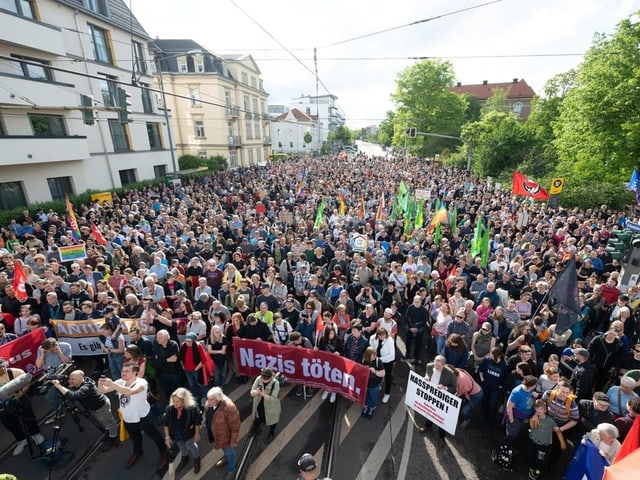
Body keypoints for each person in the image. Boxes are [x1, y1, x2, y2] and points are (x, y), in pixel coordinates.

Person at [98, 363, 167, 470]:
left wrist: (114, 385)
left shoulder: (141, 382)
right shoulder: (120, 382)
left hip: (143, 417)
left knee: (155, 436)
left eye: (127, 371)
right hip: (128, 418)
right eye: (123, 371)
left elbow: (130, 392)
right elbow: (102, 391)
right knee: (135, 438)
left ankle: (163, 453)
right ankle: (137, 452)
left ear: (135, 373)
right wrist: (100, 384)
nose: (123, 373)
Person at [50, 369, 119, 446]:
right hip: (96, 407)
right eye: (70, 379)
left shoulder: (86, 387)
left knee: (109, 422)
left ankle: (113, 436)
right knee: (104, 420)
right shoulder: (80, 382)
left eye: (73, 379)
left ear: (81, 379)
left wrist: (59, 386)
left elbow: (74, 396)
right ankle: (108, 430)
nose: (70, 381)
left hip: (101, 407)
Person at [0, 357, 44, 455]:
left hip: (19, 398)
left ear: (5, 365)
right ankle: (21, 440)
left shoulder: (15, 372)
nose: (1, 370)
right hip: (3, 404)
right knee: (10, 423)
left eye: (2, 367)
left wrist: (23, 392)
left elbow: (27, 381)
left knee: (28, 416)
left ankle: (35, 433)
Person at [163, 387, 202, 474]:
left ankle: (197, 460)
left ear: (184, 400)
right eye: (173, 401)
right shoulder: (169, 409)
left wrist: (197, 434)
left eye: (178, 401)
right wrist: (167, 437)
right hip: (176, 434)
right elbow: (165, 423)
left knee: (192, 446)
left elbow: (197, 422)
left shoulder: (192, 408)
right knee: (181, 446)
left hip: (188, 433)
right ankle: (185, 458)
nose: (175, 404)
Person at [204, 386, 241, 480]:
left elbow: (235, 427)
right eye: (208, 399)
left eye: (211, 400)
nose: (208, 402)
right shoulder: (210, 404)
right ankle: (226, 458)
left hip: (226, 437)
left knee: (229, 452)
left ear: (218, 398)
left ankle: (231, 470)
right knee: (224, 450)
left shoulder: (229, 408)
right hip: (218, 436)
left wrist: (233, 442)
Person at [418, 355, 457, 441]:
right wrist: (427, 376)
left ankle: (442, 437)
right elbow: (427, 372)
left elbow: (454, 388)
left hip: (441, 398)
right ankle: (428, 426)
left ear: (444, 365)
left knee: (440, 418)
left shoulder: (450, 374)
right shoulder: (429, 366)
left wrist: (445, 388)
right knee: (429, 411)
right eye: (435, 364)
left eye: (439, 366)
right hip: (431, 395)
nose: (436, 367)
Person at [35, 337, 72, 423]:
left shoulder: (66, 346)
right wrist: (43, 354)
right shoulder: (41, 349)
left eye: (51, 350)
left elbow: (67, 362)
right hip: (49, 376)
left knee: (68, 392)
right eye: (48, 351)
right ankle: (59, 412)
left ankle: (71, 407)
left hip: (63, 373)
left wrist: (59, 352)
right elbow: (39, 366)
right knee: (50, 396)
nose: (50, 352)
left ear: (56, 345)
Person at [527, 399, 557, 480]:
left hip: (543, 444)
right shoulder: (534, 417)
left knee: (540, 458)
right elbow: (531, 427)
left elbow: (557, 430)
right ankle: (532, 468)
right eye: (537, 409)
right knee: (532, 455)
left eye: (541, 409)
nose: (538, 411)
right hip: (534, 441)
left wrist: (562, 442)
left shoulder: (550, 421)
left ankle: (537, 471)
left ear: (545, 410)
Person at [249, 367, 281, 442]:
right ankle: (255, 428)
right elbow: (251, 393)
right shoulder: (258, 379)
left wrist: (262, 393)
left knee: (272, 420)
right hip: (259, 403)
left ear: (270, 378)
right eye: (263, 378)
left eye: (266, 379)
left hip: (270, 406)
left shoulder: (275, 383)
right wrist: (256, 392)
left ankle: (271, 432)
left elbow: (272, 399)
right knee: (257, 417)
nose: (264, 380)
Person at [151, 329, 182, 400]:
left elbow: (174, 359)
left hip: (175, 372)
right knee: (167, 390)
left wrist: (160, 360)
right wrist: (167, 360)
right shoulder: (156, 347)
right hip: (163, 373)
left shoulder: (173, 344)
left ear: (166, 338)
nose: (157, 339)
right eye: (157, 337)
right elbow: (154, 361)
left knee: (179, 390)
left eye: (160, 337)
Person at [369, 327, 395, 404]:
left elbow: (392, 356)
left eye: (383, 335)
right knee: (377, 374)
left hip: (387, 362)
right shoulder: (373, 338)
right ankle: (378, 385)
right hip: (377, 360)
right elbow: (371, 349)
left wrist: (379, 359)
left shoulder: (390, 341)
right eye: (380, 335)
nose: (382, 337)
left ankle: (387, 393)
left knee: (387, 377)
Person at [361, 346, 385, 418]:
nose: (375, 356)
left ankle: (371, 408)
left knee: (373, 397)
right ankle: (365, 407)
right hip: (365, 384)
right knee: (365, 397)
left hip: (374, 385)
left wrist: (375, 371)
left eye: (375, 354)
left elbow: (383, 374)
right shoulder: (364, 360)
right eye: (373, 355)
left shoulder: (378, 362)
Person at [404, 294, 428, 364]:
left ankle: (416, 357)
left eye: (417, 302)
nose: (416, 303)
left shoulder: (424, 310)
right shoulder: (410, 307)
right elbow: (406, 318)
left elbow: (424, 321)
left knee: (418, 343)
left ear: (421, 301)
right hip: (410, 327)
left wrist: (417, 327)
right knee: (408, 342)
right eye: (415, 301)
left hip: (419, 328)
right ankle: (407, 354)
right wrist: (411, 327)